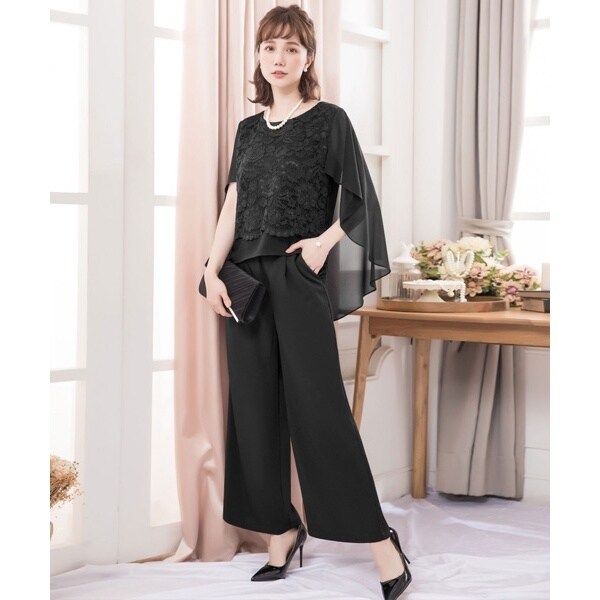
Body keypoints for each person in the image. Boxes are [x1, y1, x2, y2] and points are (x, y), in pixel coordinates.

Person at [202, 5, 412, 599]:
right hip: (244, 281)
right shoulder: (248, 130)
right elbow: (233, 204)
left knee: (321, 412)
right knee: (253, 409)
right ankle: (280, 531)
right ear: (258, 56)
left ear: (309, 58)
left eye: (292, 48)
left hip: (296, 276)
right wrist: (210, 270)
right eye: (270, 47)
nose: (279, 58)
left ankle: (380, 543)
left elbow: (361, 201)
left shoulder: (328, 121)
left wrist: (322, 243)